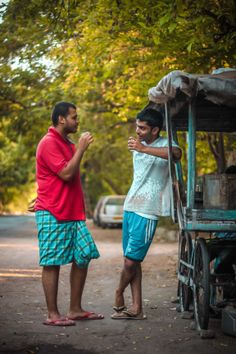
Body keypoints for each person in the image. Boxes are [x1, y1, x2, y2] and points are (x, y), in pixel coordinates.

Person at [35, 102, 104, 326]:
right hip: (54, 212)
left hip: (73, 213)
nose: (78, 121)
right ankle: (52, 314)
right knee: (52, 262)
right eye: (74, 117)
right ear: (61, 119)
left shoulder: (67, 143)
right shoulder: (48, 143)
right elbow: (65, 173)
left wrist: (77, 148)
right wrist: (82, 148)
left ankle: (75, 309)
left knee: (83, 255)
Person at [111, 108, 181, 320]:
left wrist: (143, 148)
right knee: (133, 261)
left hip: (148, 211)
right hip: (130, 207)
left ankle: (118, 293)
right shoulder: (136, 146)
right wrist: (140, 147)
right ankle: (137, 308)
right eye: (137, 127)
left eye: (142, 128)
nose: (138, 131)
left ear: (155, 130)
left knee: (130, 262)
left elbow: (176, 155)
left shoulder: (165, 144)